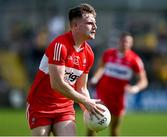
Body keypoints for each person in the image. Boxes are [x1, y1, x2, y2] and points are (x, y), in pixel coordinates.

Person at [26, 3, 103, 136]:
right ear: (75, 26)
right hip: (40, 106)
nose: (95, 27)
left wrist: (91, 112)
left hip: (65, 109)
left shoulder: (89, 53)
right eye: (90, 23)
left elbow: (82, 88)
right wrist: (85, 101)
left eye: (95, 23)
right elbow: (57, 84)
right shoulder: (59, 46)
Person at [87, 32, 148, 136]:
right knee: (92, 125)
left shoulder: (135, 60)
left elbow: (144, 81)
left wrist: (135, 88)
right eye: (124, 41)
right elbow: (101, 68)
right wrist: (95, 78)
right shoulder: (108, 54)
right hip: (102, 94)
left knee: (114, 130)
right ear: (119, 41)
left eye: (128, 42)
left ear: (131, 44)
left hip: (119, 98)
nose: (125, 44)